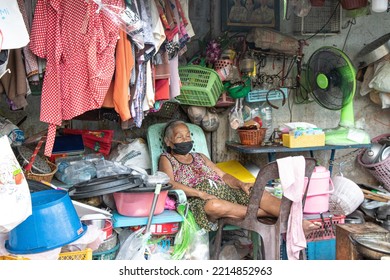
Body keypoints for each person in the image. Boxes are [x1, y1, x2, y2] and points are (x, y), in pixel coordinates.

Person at [158, 120, 321, 234]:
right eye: (180, 137)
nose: (185, 140)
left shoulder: (200, 156)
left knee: (258, 193)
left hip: (225, 191)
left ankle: (300, 222)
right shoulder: (167, 158)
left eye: (188, 136)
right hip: (200, 199)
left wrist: (241, 184)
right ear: (169, 142)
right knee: (213, 206)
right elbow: (170, 183)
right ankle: (263, 213)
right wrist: (201, 194)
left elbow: (222, 175)